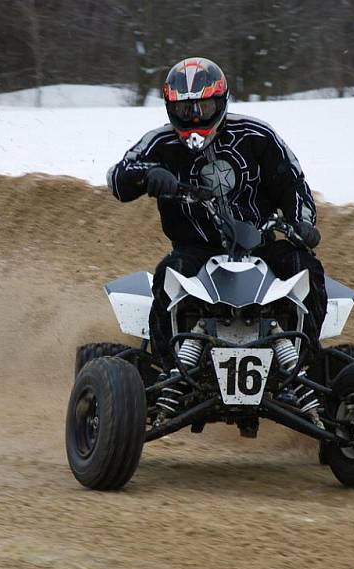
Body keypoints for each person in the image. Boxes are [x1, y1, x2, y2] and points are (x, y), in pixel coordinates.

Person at [106, 57, 327, 409]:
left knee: (307, 268)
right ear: (169, 107)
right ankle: (168, 371)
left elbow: (294, 184)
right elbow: (119, 178)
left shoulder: (258, 136)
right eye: (184, 109)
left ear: (221, 101)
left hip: (259, 245)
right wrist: (147, 175)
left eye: (203, 106)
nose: (194, 118)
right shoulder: (160, 143)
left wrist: (303, 223)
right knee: (168, 274)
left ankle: (304, 368)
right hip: (196, 251)